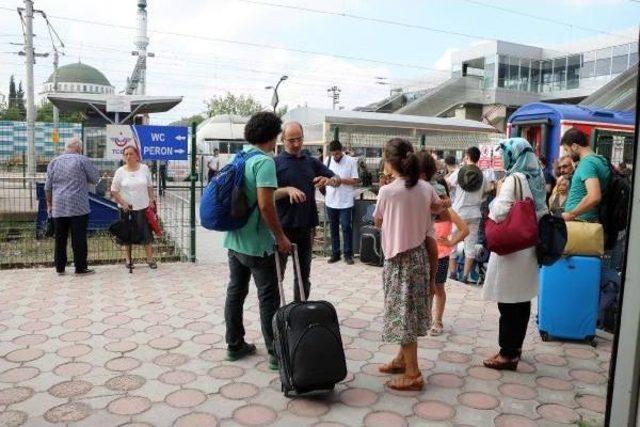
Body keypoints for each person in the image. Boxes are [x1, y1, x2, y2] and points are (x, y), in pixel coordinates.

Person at [223, 112, 292, 370]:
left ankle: (234, 344)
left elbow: (253, 196)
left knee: (235, 292)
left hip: (234, 239)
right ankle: (276, 353)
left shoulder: (239, 157)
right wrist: (281, 237)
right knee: (268, 298)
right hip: (258, 245)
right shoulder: (265, 162)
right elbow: (265, 205)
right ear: (273, 136)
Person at [374, 138, 438, 392]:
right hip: (419, 258)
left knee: (403, 316)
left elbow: (378, 222)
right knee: (409, 312)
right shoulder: (424, 187)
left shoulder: (387, 192)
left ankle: (413, 373)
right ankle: (402, 360)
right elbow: (435, 208)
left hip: (399, 261)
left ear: (389, 163)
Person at [482, 138, 548, 371]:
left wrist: (496, 197)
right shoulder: (536, 177)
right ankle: (515, 348)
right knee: (521, 300)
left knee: (508, 302)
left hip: (512, 249)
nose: (503, 158)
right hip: (528, 245)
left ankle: (507, 354)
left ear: (514, 156)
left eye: (505, 154)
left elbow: (499, 212)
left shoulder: (514, 178)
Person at [274, 121, 339, 301]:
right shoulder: (274, 163)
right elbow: (266, 196)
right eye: (291, 140)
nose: (296, 144)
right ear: (283, 140)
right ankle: (277, 317)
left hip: (306, 227)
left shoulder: (311, 162)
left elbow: (336, 178)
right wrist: (287, 190)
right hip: (282, 228)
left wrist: (329, 181)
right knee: (276, 276)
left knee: (303, 276)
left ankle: (299, 312)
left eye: (299, 139)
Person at [45, 137, 100, 276]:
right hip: (78, 207)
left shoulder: (54, 162)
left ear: (66, 147)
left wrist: (50, 205)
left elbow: (47, 187)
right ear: (78, 148)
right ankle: (80, 268)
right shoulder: (82, 160)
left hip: (58, 207)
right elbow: (95, 179)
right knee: (79, 238)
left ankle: (60, 267)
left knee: (60, 239)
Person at [447, 146, 493, 283]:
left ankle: (453, 273)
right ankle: (465, 276)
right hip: (475, 213)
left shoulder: (460, 171)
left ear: (467, 156)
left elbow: (448, 184)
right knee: (470, 245)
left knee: (452, 242)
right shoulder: (482, 175)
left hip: (459, 212)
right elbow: (487, 191)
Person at [430, 178, 469, 336]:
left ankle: (437, 320)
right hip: (426, 255)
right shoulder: (426, 210)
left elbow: (464, 230)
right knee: (427, 288)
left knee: (438, 288)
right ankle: (425, 318)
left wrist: (451, 242)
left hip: (441, 256)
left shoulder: (449, 212)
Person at [110, 145, 158, 269]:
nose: (128, 156)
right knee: (127, 234)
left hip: (143, 207)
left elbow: (149, 186)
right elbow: (114, 191)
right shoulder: (120, 171)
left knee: (146, 234)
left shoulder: (144, 168)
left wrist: (151, 199)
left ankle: (150, 259)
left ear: (137, 156)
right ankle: (128, 260)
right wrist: (123, 203)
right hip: (127, 209)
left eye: (131, 154)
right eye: (126, 154)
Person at [560, 128, 610, 222]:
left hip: (582, 222)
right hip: (584, 221)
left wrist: (571, 214)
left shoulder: (587, 163)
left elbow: (594, 196)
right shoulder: (599, 160)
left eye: (567, 150)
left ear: (574, 146)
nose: (568, 154)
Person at [324, 140, 360, 265]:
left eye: (338, 154)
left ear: (342, 150)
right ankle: (335, 253)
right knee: (333, 228)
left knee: (346, 226)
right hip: (331, 200)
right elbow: (324, 179)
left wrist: (340, 180)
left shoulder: (351, 161)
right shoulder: (327, 161)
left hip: (345, 201)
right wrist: (329, 182)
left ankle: (348, 254)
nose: (336, 157)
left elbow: (355, 180)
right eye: (334, 154)